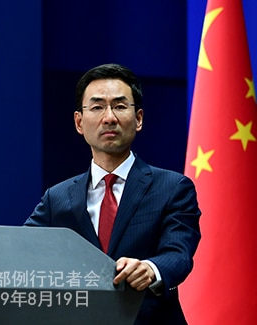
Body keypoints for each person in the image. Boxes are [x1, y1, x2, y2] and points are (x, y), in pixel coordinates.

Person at [24, 63, 201, 324]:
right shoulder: (57, 198)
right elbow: (20, 249)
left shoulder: (173, 188)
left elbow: (179, 253)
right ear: (79, 122)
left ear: (138, 118)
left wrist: (151, 269)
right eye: (97, 107)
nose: (109, 117)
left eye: (119, 106)